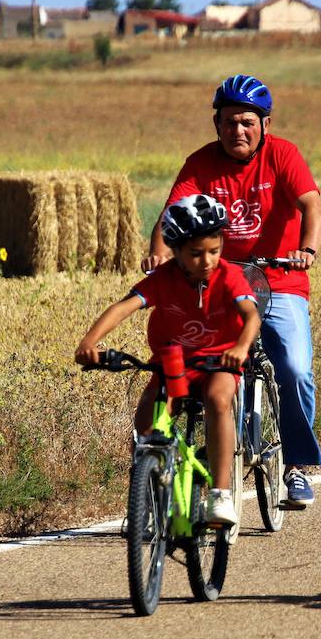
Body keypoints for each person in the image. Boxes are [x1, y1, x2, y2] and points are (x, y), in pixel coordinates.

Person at [146, 75, 321, 509]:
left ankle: (296, 466)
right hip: (221, 282)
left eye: (247, 122)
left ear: (265, 124)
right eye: (229, 122)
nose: (238, 130)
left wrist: (306, 250)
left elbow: (312, 207)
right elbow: (171, 215)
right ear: (217, 125)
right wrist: (158, 255)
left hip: (280, 279)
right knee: (203, 365)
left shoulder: (283, 155)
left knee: (294, 368)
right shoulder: (200, 163)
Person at [78, 195, 261, 527]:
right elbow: (123, 307)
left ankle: (220, 495)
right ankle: (148, 499)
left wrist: (240, 347)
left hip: (220, 360)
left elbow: (251, 316)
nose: (207, 261)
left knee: (218, 399)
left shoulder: (229, 275)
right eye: (196, 253)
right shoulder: (164, 279)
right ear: (175, 251)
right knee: (146, 425)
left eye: (214, 250)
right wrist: (90, 341)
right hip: (174, 363)